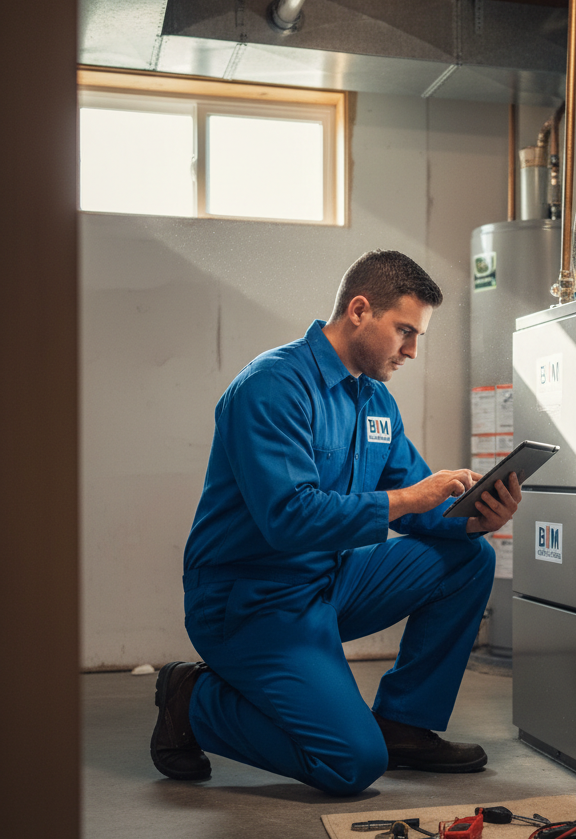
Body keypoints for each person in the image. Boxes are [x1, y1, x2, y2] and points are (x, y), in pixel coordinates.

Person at [150, 249, 519, 795]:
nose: (413, 351)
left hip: (327, 582)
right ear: (359, 310)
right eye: (404, 332)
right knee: (351, 762)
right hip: (249, 600)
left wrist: (479, 517)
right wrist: (410, 498)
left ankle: (402, 724)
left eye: (419, 336)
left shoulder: (374, 403)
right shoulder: (272, 388)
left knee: (468, 558)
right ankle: (193, 700)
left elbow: (425, 511)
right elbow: (289, 519)